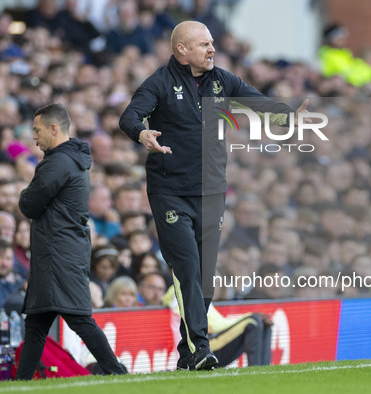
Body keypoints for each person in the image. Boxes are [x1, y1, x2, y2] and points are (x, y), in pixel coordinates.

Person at [119, 20, 308, 371]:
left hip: (211, 190)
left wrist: (287, 116)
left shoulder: (223, 79)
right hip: (171, 190)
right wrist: (141, 134)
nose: (212, 49)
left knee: (204, 275)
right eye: (204, 44)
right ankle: (201, 348)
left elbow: (257, 102)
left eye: (212, 43)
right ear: (182, 50)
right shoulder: (159, 83)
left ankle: (188, 353)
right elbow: (129, 116)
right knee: (188, 267)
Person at [15, 103, 126, 380]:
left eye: (37, 130)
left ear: (54, 129)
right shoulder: (71, 160)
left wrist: (24, 195)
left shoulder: (57, 163)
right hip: (60, 251)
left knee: (78, 318)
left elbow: (29, 204)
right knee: (37, 324)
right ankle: (19, 383)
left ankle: (117, 371)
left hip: (57, 254)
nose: (34, 136)